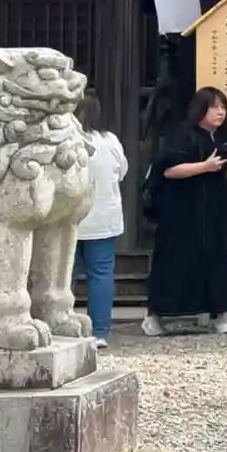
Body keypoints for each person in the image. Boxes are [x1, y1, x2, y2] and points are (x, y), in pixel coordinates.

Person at [142, 87, 227, 337]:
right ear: (200, 109)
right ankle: (155, 315)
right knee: (175, 258)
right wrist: (205, 166)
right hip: (183, 207)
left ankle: (219, 313)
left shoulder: (222, 135)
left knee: (219, 255)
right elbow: (169, 170)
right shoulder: (182, 134)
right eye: (214, 107)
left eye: (223, 107)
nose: (220, 112)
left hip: (216, 205)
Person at [74, 89, 129, 349]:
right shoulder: (110, 141)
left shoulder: (64, 140)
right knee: (101, 274)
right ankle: (99, 331)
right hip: (103, 218)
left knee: (61, 275)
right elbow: (122, 172)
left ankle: (59, 325)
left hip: (68, 219)